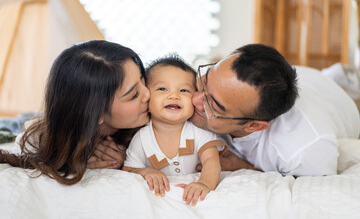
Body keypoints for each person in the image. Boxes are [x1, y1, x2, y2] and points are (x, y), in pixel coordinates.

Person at [191, 44, 360, 176]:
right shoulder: (238, 91)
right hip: (305, 76)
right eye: (205, 79)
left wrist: (245, 167)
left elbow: (317, 187)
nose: (195, 99)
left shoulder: (304, 150)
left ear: (254, 126)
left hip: (337, 102)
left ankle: (339, 78)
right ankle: (332, 74)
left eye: (213, 105)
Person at [0, 40, 150, 185]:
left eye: (143, 80)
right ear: (96, 112)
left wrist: (133, 160)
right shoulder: (39, 138)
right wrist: (76, 161)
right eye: (134, 95)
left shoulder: (157, 120)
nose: (148, 94)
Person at [123, 55, 226, 206]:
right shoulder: (142, 138)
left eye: (184, 90)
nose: (174, 96)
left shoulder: (199, 131)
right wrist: (145, 172)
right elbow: (128, 169)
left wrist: (205, 183)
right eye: (162, 89)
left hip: (191, 201)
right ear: (147, 97)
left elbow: (211, 161)